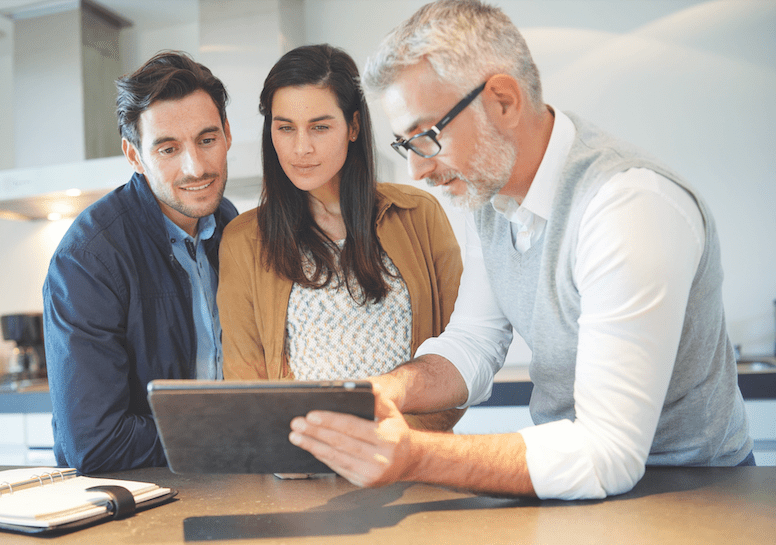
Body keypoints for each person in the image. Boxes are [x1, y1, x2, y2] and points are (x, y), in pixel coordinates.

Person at [288, 0, 754, 500]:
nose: (416, 172)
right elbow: (473, 341)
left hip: (692, 493)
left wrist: (414, 455)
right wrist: (389, 389)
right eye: (406, 146)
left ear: (503, 101)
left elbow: (607, 452)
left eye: (425, 138)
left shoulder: (627, 205)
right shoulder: (491, 194)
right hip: (571, 482)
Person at [217, 44, 463, 431]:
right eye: (285, 128)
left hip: (412, 461)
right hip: (303, 473)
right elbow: (247, 389)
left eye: (320, 126)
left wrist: (395, 442)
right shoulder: (244, 241)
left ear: (353, 127)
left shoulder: (418, 215)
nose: (301, 148)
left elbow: (459, 357)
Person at [43, 51, 238, 473]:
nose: (196, 167)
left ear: (226, 134)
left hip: (233, 479)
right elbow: (94, 443)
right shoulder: (88, 259)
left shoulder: (231, 226)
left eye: (207, 140)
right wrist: (230, 434)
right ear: (134, 156)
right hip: (138, 501)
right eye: (168, 148)